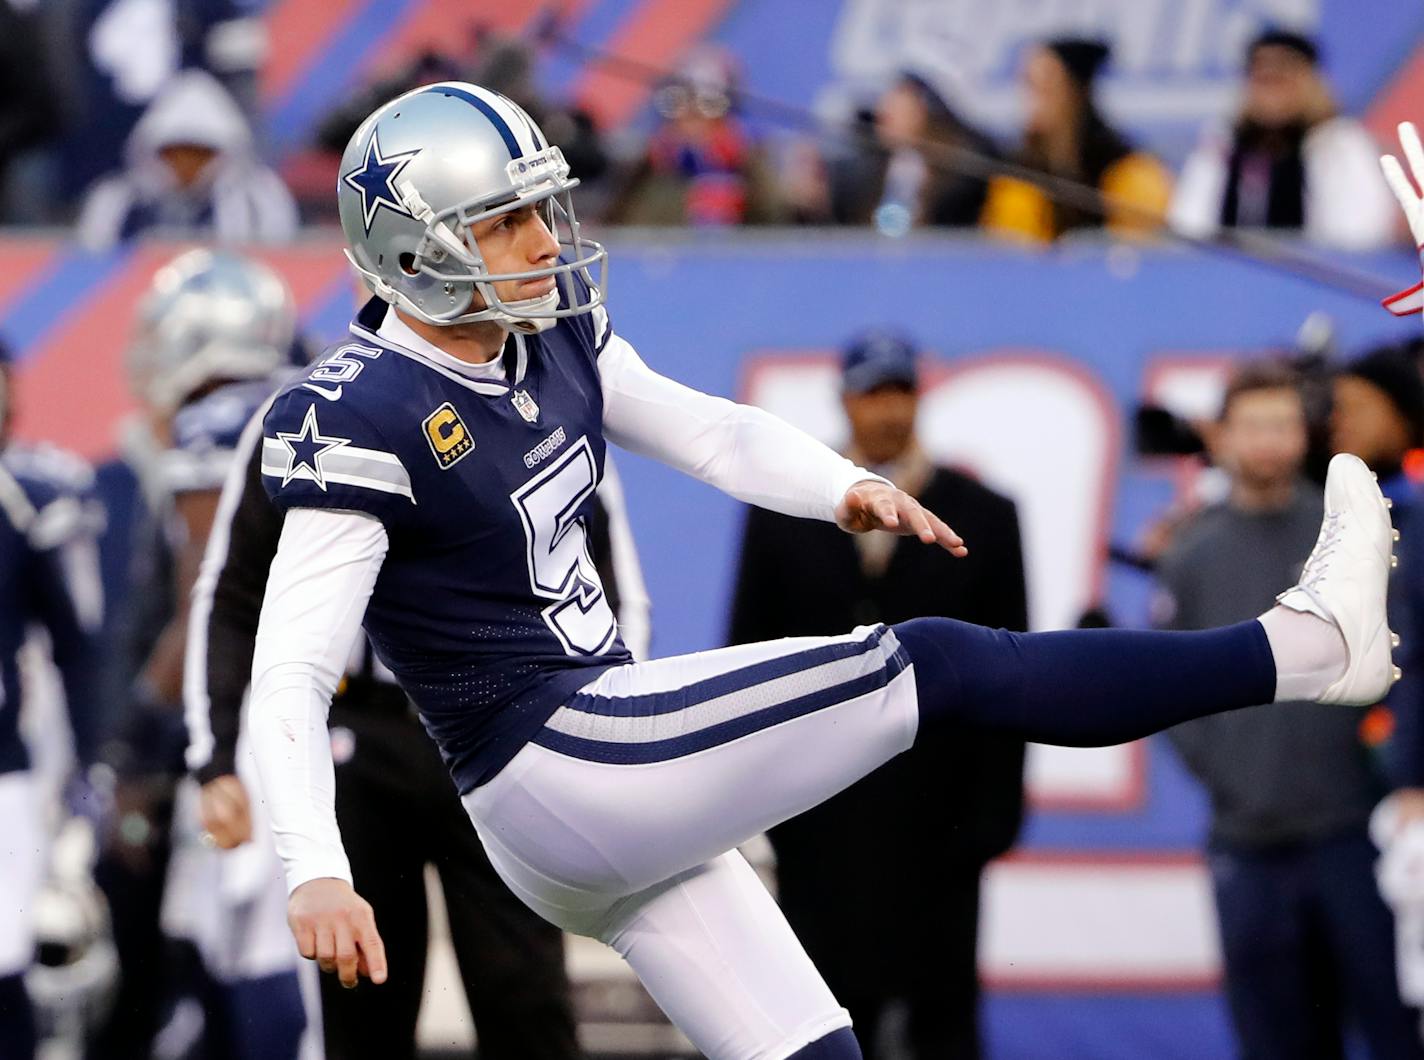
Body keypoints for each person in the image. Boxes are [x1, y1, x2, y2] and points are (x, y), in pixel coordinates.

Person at [246, 82, 1405, 1060]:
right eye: (505, 222)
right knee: (939, 662)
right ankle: (1306, 647)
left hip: (587, 799)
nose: (545, 241)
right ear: (416, 249)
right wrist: (312, 865)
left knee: (813, 1050)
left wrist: (835, 482)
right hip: (557, 753)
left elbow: (706, 429)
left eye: (542, 207)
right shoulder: (362, 410)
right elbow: (290, 668)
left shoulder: (547, 332)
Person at [185, 348, 649, 1059]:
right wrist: (214, 754)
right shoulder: (317, 409)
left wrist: (609, 730)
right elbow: (232, 589)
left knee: (526, 998)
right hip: (362, 740)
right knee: (362, 997)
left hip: (504, 724)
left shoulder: (538, 396)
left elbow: (609, 580)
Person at [728, 331, 1026, 1058]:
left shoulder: (983, 513)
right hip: (822, 810)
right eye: (873, 394)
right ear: (845, 401)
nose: (889, 412)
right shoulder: (787, 511)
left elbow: (1015, 669)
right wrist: (764, 804)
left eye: (901, 393)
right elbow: (748, 657)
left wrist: (994, 813)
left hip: (940, 814)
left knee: (943, 1015)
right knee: (826, 1009)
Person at [1157, 360, 1422, 1059]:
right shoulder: (1192, 551)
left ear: (1306, 435)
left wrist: (1380, 773)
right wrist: (1227, 775)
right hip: (1245, 841)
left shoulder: (1355, 537)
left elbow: (1401, 667)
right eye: (1253, 426)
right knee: (1272, 1040)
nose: (1269, 443)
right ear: (1222, 437)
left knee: (1393, 1030)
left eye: (1282, 424)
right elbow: (1167, 686)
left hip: (1353, 838)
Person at [90, 250, 308, 1058]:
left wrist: (135, 743)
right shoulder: (309, 400)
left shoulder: (221, 423)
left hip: (253, 728)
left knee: (249, 959)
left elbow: (204, 603)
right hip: (322, 716)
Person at [0, 340, 106, 1060]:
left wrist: (91, 765)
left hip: (4, 775)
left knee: (7, 968)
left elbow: (77, 645)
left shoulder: (25, 499)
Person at [1170, 29, 1398, 251]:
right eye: (1262, 79)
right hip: (1227, 274)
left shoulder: (1340, 143)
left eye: (1281, 79)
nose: (1271, 92)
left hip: (1310, 277)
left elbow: (1360, 233)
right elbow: (1188, 224)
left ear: (1310, 83)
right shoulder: (1223, 142)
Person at [75, 69, 297, 249]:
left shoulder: (259, 198)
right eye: (175, 153)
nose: (186, 165)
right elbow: (91, 264)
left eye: (199, 154)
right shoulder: (116, 200)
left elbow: (279, 261)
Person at [981, 38, 1172, 242]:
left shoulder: (1130, 170)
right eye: (1027, 84)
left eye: (1044, 86)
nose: (1031, 100)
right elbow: (1011, 251)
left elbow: (1142, 252)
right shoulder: (1019, 174)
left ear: (1075, 91)